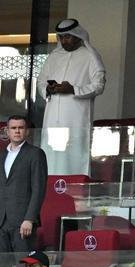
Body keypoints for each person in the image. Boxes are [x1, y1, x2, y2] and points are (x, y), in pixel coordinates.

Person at [37, 18, 106, 176]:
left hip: (76, 119)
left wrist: (73, 89)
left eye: (68, 37)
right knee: (51, 156)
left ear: (77, 35)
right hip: (52, 118)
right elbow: (41, 80)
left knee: (74, 156)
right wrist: (47, 88)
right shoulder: (54, 57)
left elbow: (99, 85)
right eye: (61, 37)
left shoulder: (90, 56)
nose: (64, 41)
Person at [0, 115, 48, 267]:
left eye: (20, 127)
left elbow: (38, 189)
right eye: (13, 128)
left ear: (26, 131)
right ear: (7, 131)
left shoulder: (35, 154)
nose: (17, 131)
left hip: (22, 222)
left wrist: (30, 218)